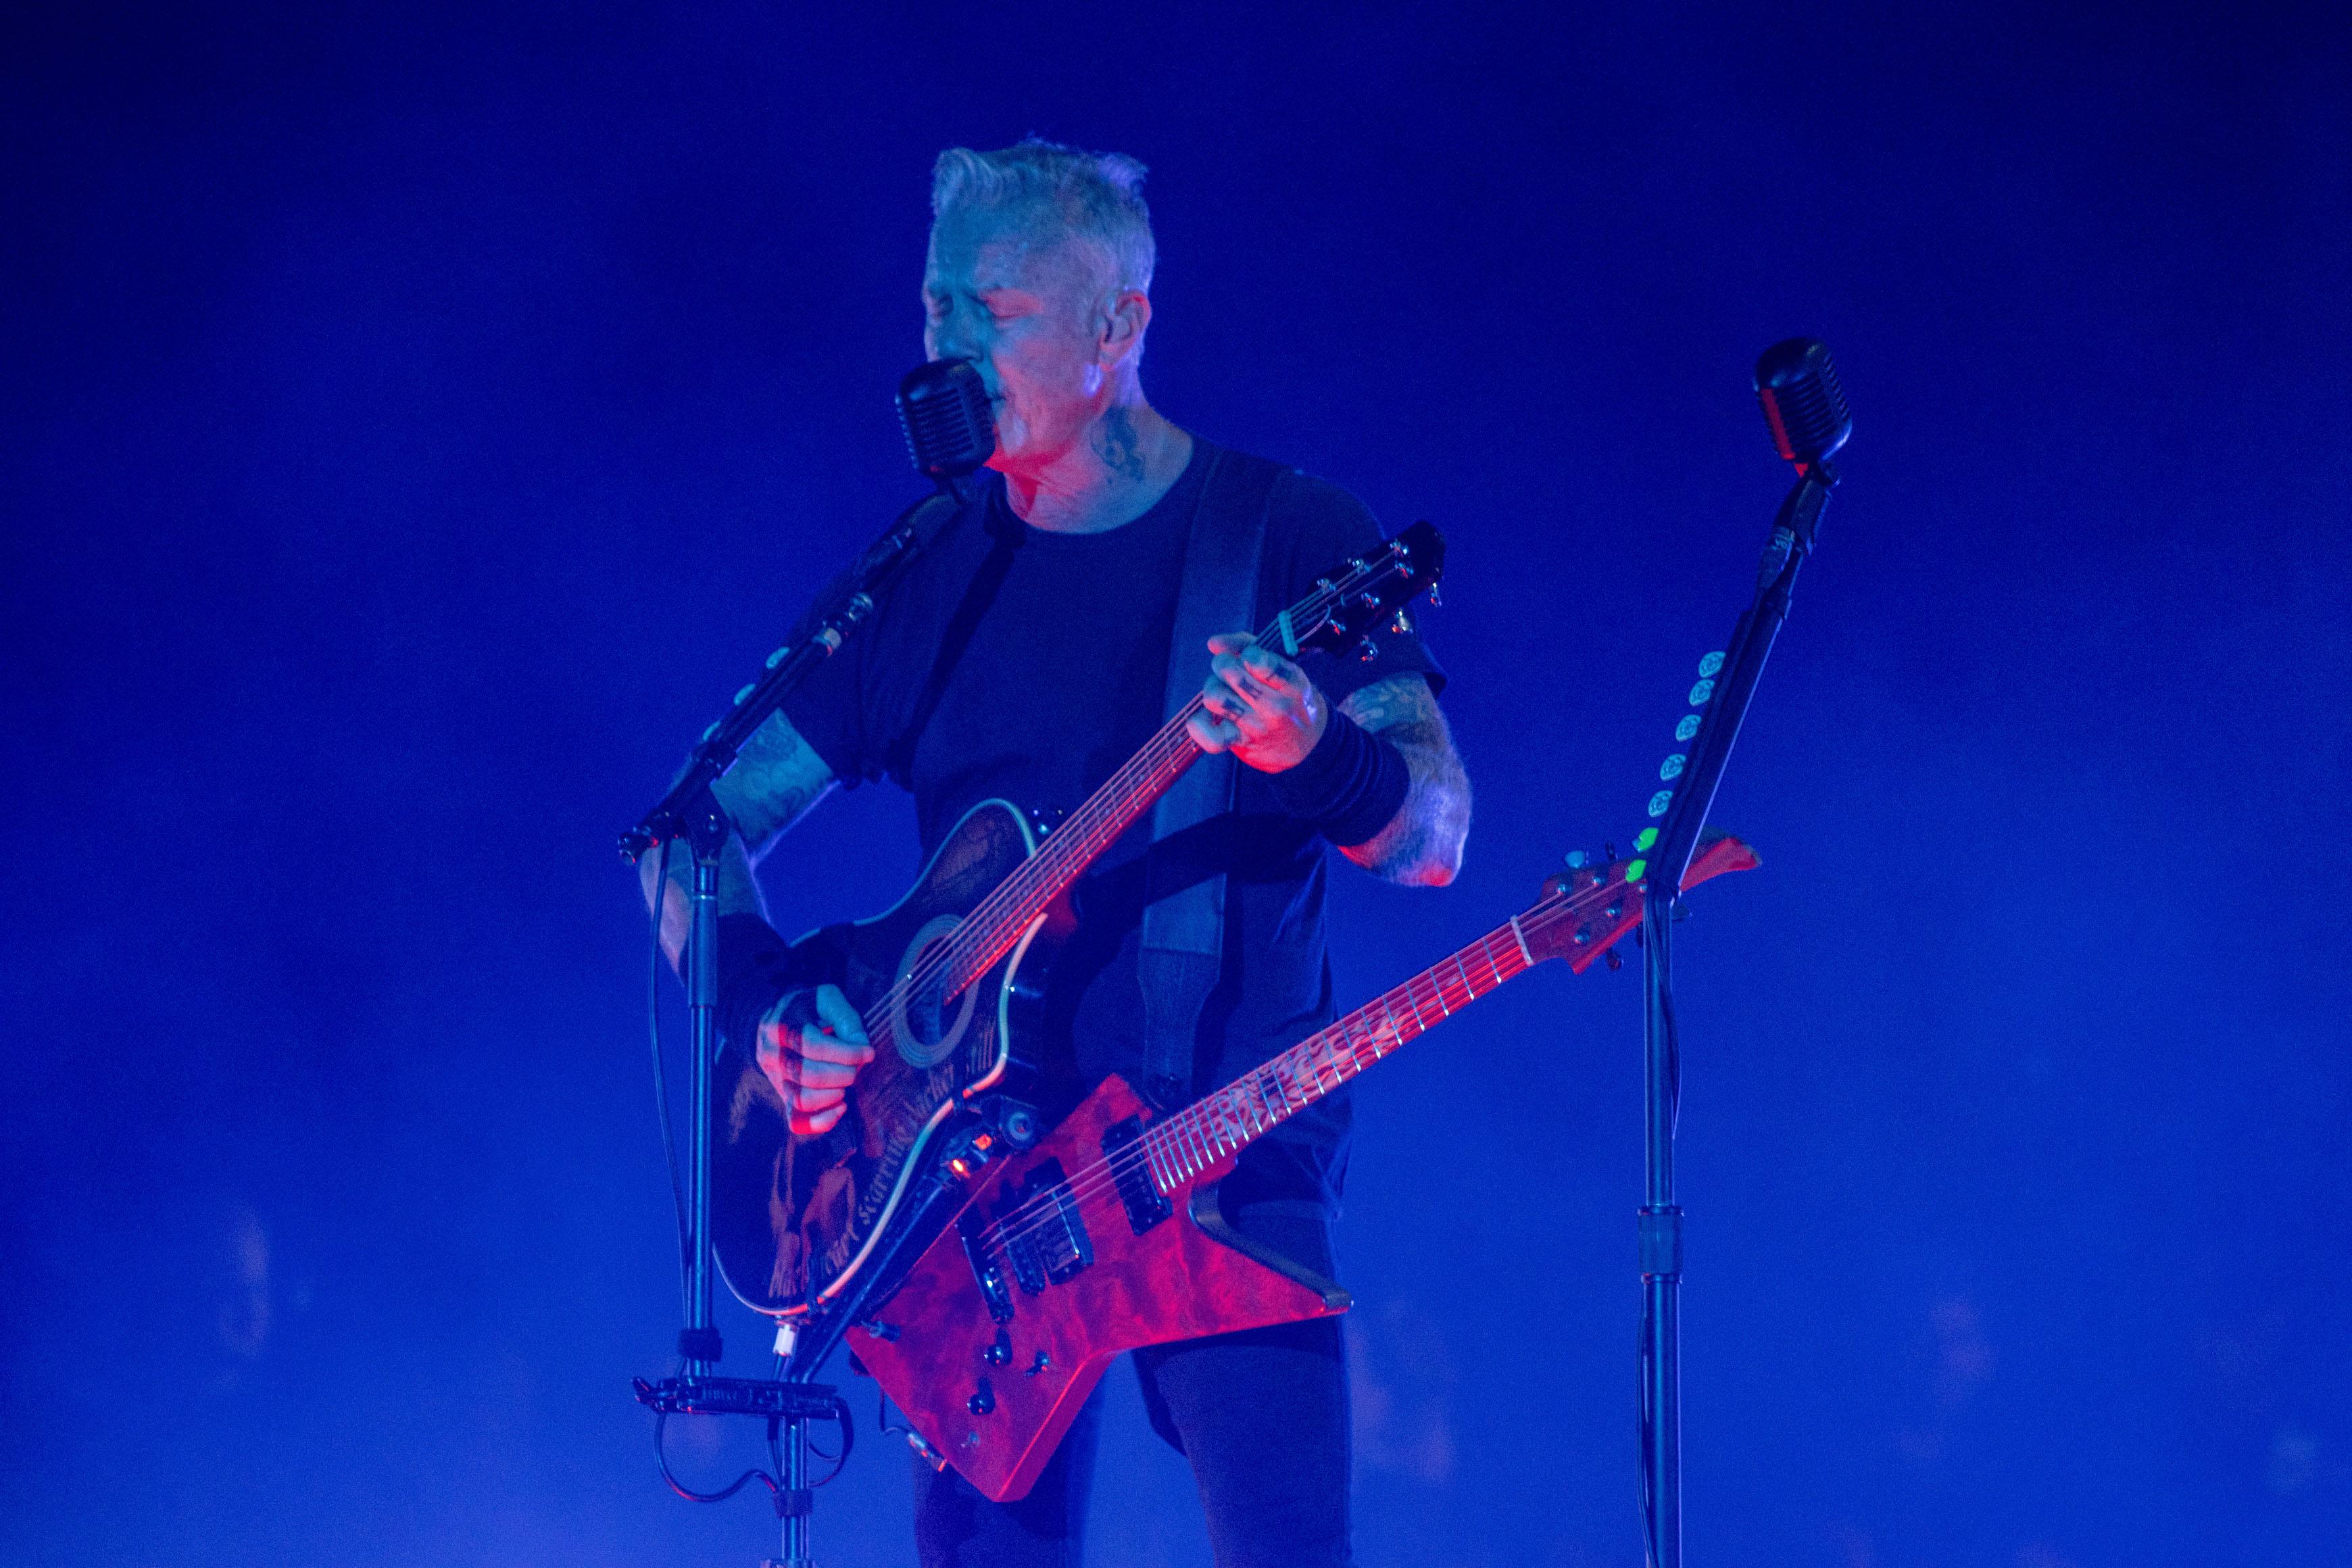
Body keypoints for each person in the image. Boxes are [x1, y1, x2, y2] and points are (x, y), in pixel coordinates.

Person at [644, 139, 1471, 1568]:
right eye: (935, 305)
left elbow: (1437, 836)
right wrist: (771, 1002)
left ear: (1118, 324)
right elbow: (682, 836)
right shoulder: (927, 571)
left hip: (1216, 1161)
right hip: (966, 1204)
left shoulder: (1287, 535)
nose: (947, 348)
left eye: (998, 310)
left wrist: (1315, 748)